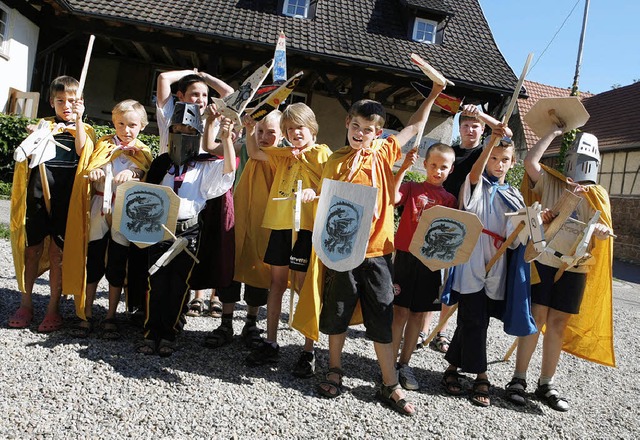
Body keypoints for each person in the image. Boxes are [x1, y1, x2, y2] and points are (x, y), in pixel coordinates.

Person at [305, 83, 445, 417]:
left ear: (378, 132)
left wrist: (433, 95)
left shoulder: (384, 152)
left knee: (383, 314)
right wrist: (315, 198)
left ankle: (389, 381)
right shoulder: (335, 161)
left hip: (378, 250)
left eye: (368, 130)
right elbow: (330, 206)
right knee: (337, 309)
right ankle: (335, 369)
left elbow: (412, 127)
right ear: (347, 124)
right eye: (356, 126)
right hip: (342, 250)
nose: (360, 133)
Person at [505, 127, 614, 411]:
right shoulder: (551, 183)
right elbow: (530, 162)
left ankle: (546, 383)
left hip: (574, 268)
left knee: (557, 325)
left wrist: (601, 232)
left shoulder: (597, 195)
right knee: (537, 317)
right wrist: (553, 132)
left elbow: (599, 229)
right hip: (545, 261)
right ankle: (518, 379)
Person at [441, 128, 537, 407]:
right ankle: (482, 374)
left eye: (504, 159)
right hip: (471, 261)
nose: (498, 164)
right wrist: (490, 143)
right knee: (475, 319)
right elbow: (473, 175)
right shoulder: (476, 184)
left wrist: (533, 221)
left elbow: (518, 237)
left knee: (476, 317)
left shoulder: (515, 196)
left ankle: (451, 368)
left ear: (512, 162)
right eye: (493, 158)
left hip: (496, 266)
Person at [137, 102, 236, 356]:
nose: (182, 135)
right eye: (177, 129)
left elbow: (228, 172)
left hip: (187, 233)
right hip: (159, 230)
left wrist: (225, 139)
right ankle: (151, 332)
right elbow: (147, 194)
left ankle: (169, 333)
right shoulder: (162, 164)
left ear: (196, 134)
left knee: (179, 284)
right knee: (155, 282)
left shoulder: (204, 166)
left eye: (189, 131)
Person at [245, 103, 331, 378]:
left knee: (305, 287)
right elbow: (254, 152)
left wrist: (315, 194)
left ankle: (308, 349)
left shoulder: (322, 153)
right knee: (276, 283)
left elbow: (331, 187)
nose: (295, 133)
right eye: (290, 129)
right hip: (281, 225)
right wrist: (249, 129)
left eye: (300, 128)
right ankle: (271, 340)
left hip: (306, 228)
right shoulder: (283, 155)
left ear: (312, 128)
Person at [9, 75, 95, 332]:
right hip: (38, 194)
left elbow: (83, 151)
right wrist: (34, 136)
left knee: (59, 253)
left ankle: (52, 308)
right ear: (51, 102)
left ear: (80, 103)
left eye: (72, 101)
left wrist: (79, 120)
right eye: (61, 101)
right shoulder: (43, 125)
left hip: (65, 198)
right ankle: (26, 303)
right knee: (32, 248)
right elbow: (28, 155)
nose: (66, 105)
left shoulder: (85, 129)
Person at [63, 100, 153, 338]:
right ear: (114, 122)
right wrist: (94, 172)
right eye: (121, 124)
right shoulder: (103, 144)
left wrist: (135, 172)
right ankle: (86, 312)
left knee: (117, 262)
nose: (126, 130)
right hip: (98, 208)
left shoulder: (143, 151)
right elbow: (90, 163)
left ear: (142, 126)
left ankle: (111, 315)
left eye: (132, 125)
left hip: (124, 212)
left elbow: (147, 174)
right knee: (93, 260)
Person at [155, 69, 234, 317]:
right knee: (162, 256)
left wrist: (207, 78)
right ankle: (170, 306)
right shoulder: (170, 115)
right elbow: (163, 79)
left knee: (208, 243)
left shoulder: (215, 118)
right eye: (194, 94)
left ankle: (208, 295)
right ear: (181, 96)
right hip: (173, 183)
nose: (200, 99)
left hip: (205, 182)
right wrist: (193, 72)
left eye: (204, 95)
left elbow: (230, 94)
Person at [204, 111, 283, 350]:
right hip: (238, 213)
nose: (264, 137)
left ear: (282, 135)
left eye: (271, 132)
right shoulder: (246, 147)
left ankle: (251, 322)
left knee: (259, 270)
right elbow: (209, 146)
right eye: (260, 131)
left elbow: (259, 153)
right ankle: (226, 323)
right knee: (231, 265)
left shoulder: (282, 156)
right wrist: (211, 123)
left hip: (266, 219)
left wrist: (249, 131)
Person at [391, 142, 457, 391]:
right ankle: (389, 362)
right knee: (399, 312)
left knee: (418, 315)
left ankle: (404, 364)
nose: (437, 171)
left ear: (450, 170)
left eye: (443, 167)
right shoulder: (412, 187)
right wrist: (402, 171)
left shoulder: (450, 200)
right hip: (406, 257)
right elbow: (392, 197)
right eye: (433, 165)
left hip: (430, 262)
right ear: (425, 164)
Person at [444, 104, 510, 199]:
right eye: (465, 126)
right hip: (447, 203)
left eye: (475, 126)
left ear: (482, 130)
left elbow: (506, 134)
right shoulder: (450, 152)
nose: (470, 130)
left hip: (473, 206)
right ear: (459, 128)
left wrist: (479, 114)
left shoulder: (486, 152)